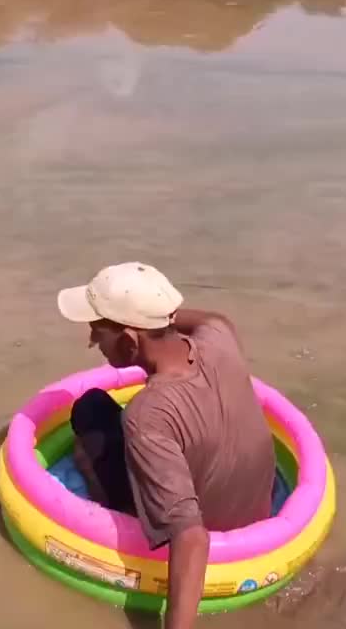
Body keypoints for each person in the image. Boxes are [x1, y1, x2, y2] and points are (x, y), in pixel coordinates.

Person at [57, 262, 275, 629]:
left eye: (97, 331)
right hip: (258, 514)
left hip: (206, 529)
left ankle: (121, 503)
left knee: (91, 410)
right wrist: (157, 321)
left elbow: (191, 537)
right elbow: (213, 317)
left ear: (129, 341)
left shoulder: (148, 416)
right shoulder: (219, 338)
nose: (93, 341)